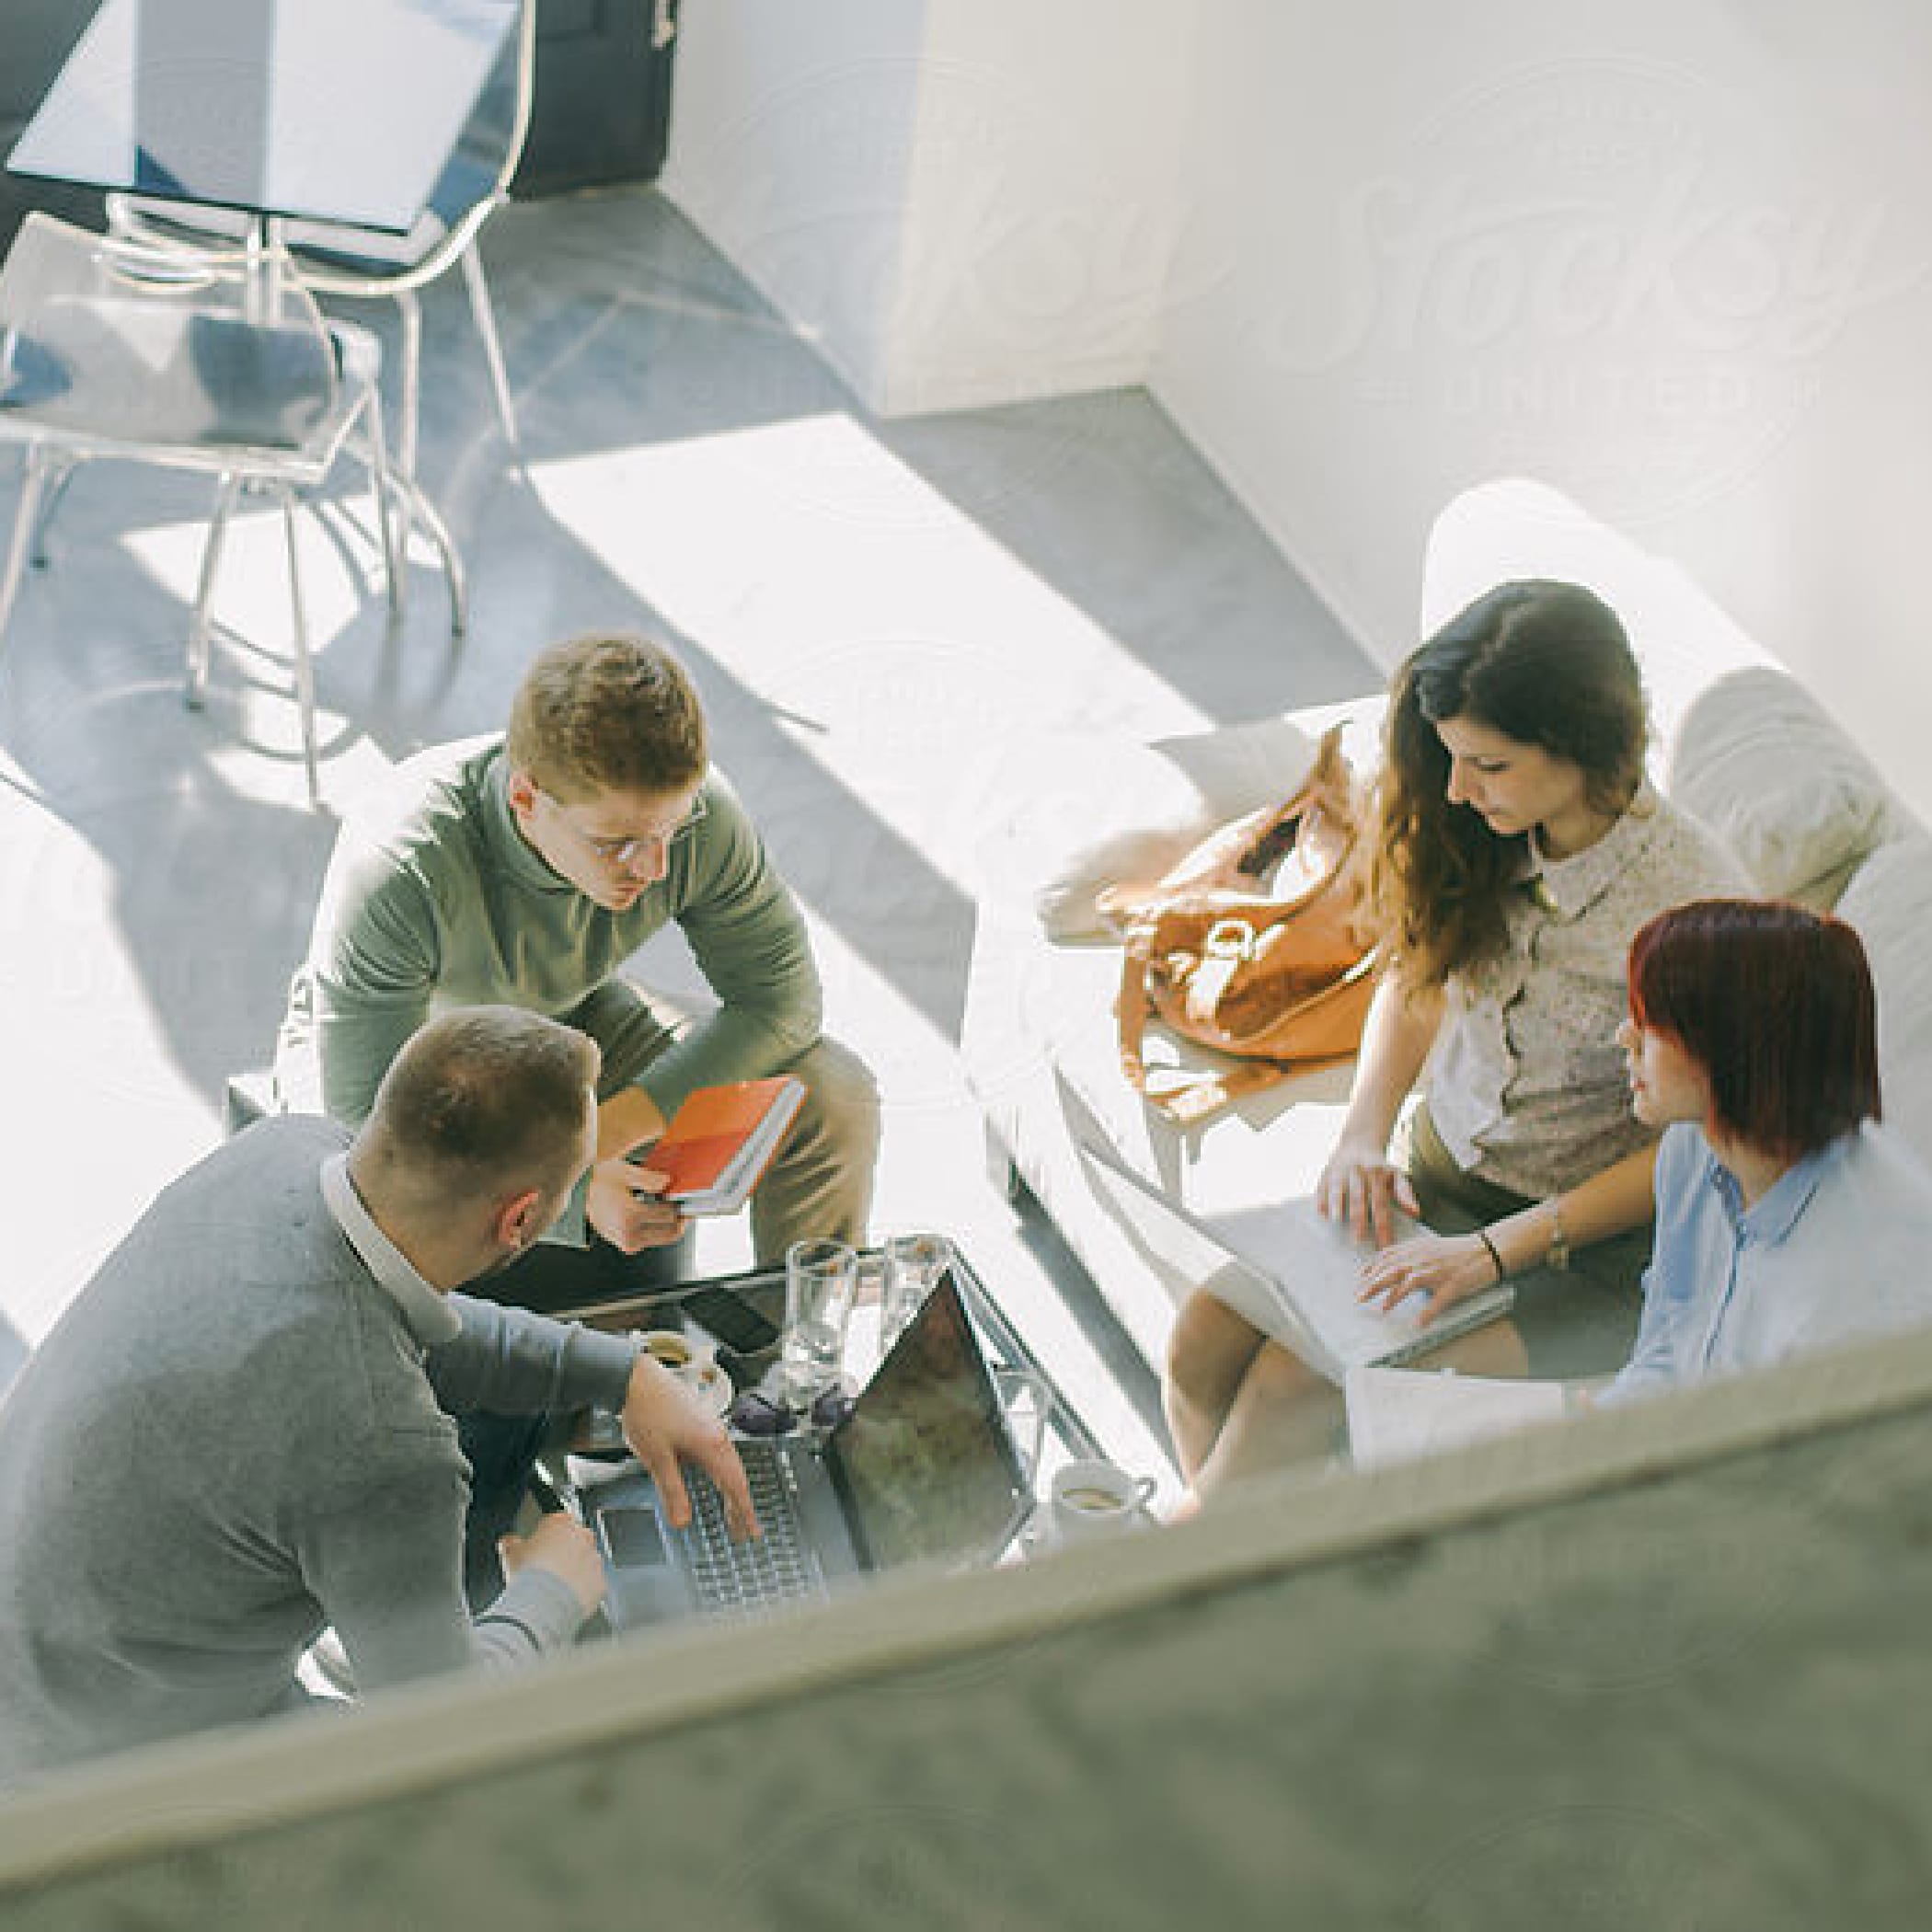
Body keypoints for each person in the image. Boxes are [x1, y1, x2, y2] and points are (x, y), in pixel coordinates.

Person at [0, 1008, 758, 1788]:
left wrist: (625, 1373)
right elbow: (441, 1727)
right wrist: (551, 1587)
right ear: (522, 1219)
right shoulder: (383, 1448)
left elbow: (399, 1326)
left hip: (51, 1638)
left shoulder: (280, 1151)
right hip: (98, 1767)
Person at [1165, 580, 1745, 1494]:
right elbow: (1424, 975)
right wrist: (1362, 1132)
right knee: (1203, 1333)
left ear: (1585, 743)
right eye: (1449, 757)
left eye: (1488, 763)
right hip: (1437, 1174)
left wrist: (1493, 1251)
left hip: (1586, 1246)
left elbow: (1704, 1137)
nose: (1455, 788)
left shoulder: (1692, 905)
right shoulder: (1481, 826)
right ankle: (1233, 1562)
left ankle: (1177, 1583)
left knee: (1294, 1389)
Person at [276, 630, 880, 1312]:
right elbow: (365, 1124)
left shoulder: (694, 816)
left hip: (565, 1028)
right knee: (371, 1214)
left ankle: (787, 1373)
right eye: (617, 844)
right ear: (526, 799)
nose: (654, 868)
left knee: (834, 1092)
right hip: (409, 1068)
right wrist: (572, 1190)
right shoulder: (403, 863)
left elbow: (781, 1004)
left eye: (669, 834)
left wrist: (601, 1137)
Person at [1598, 900, 1932, 1404]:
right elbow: (1667, 1341)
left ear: (1733, 1046)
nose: (1624, 1035)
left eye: (1650, 1020)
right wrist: (1612, 1421)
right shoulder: (1691, 1149)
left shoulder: (1863, 1292)